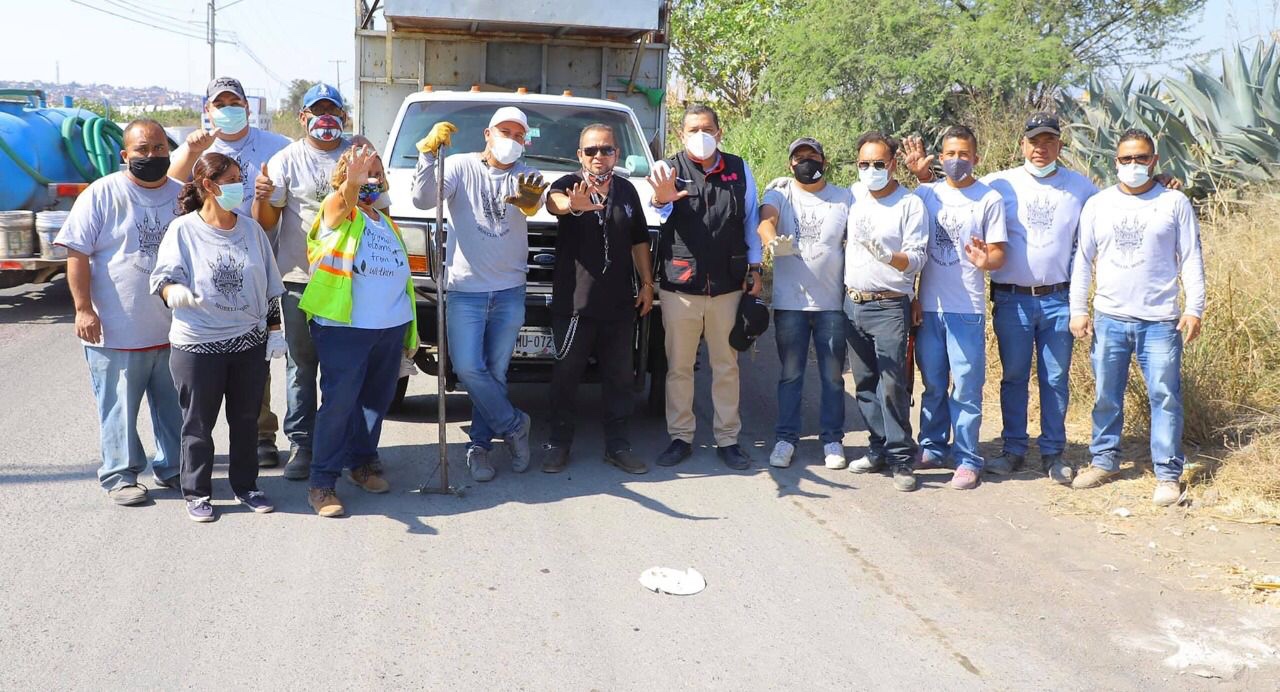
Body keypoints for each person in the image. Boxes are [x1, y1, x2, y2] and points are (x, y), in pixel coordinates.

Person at [906, 112, 1095, 484]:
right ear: (1022, 145)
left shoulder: (1081, 187)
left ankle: (1053, 452)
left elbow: (1118, 204)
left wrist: (1160, 184)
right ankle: (1013, 450)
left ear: (1059, 145)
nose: (1040, 149)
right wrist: (924, 176)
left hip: (1057, 298)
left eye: (1049, 142)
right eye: (1034, 142)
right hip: (1012, 299)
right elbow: (952, 193)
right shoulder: (1000, 185)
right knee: (1012, 378)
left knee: (1054, 378)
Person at [253, 83, 384, 482]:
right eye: (317, 111)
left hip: (351, 278)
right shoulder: (285, 161)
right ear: (303, 116)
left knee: (347, 367)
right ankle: (303, 445)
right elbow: (266, 223)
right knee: (302, 366)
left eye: (333, 111)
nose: (325, 119)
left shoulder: (359, 152)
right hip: (301, 279)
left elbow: (380, 206)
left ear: (343, 117)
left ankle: (351, 445)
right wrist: (261, 196)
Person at [1068, 129, 1205, 507]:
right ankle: (1104, 459)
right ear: (1115, 163)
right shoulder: (1098, 205)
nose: (1133, 165)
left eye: (1141, 158)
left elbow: (1191, 256)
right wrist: (1078, 309)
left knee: (1164, 396)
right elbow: (1082, 260)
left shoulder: (1173, 202)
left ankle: (1166, 473)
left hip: (1160, 320)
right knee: (1105, 395)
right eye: (1126, 159)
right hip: (1109, 316)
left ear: (1154, 161)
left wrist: (1195, 308)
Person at [410, 107, 547, 482]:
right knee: (469, 368)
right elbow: (423, 200)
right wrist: (426, 154)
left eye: (519, 136)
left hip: (509, 290)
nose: (512, 140)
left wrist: (530, 202)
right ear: (488, 134)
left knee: (496, 372)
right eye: (506, 132)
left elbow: (533, 204)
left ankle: (480, 448)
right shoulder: (458, 166)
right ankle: (515, 424)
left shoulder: (525, 174)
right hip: (465, 290)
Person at [150, 152, 286, 522]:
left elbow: (270, 288)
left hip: (248, 343)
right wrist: (171, 292)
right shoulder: (184, 230)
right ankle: (197, 491)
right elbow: (163, 278)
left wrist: (274, 333)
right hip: (198, 346)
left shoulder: (251, 230)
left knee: (245, 420)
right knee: (198, 423)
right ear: (209, 186)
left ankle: (247, 486)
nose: (240, 186)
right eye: (232, 179)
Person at [53, 119, 183, 506]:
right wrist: (83, 309)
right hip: (117, 329)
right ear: (125, 155)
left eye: (159, 148)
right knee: (119, 408)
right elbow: (77, 252)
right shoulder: (102, 193)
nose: (152, 155)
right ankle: (121, 475)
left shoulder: (182, 195)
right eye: (142, 150)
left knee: (176, 409)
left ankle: (176, 467)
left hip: (174, 331)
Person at [168, 76, 292, 468]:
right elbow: (167, 187)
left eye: (234, 101)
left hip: (259, 263)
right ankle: (194, 453)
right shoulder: (198, 149)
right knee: (204, 363)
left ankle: (260, 435)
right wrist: (189, 151)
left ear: (248, 106)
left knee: (253, 358)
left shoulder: (277, 147)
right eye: (219, 103)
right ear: (207, 110)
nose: (227, 108)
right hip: (206, 267)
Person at [301, 145, 418, 517]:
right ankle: (322, 483)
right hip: (345, 329)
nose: (373, 178)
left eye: (377, 172)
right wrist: (351, 185)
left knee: (376, 401)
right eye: (364, 171)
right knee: (339, 404)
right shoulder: (336, 212)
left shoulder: (386, 221)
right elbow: (342, 202)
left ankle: (362, 463)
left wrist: (409, 333)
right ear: (344, 176)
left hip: (389, 328)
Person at [645, 103, 762, 471]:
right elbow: (654, 215)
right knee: (678, 367)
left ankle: (727, 439)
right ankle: (680, 436)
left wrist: (755, 267)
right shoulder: (667, 170)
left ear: (720, 132)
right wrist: (661, 199)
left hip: (727, 286)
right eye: (693, 129)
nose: (701, 135)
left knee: (726, 366)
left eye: (707, 128)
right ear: (681, 134)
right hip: (680, 287)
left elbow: (750, 222)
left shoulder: (740, 169)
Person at [540, 124, 655, 475]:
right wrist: (572, 206)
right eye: (591, 151)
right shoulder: (567, 184)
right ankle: (559, 444)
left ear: (616, 155)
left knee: (620, 378)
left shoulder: (627, 191)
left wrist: (648, 283)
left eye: (605, 150)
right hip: (575, 306)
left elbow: (639, 240)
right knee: (566, 377)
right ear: (580, 155)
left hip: (620, 305)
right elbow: (553, 202)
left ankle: (618, 446)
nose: (598, 157)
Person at [907, 125, 1008, 489]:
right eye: (950, 154)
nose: (956, 160)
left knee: (965, 386)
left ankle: (967, 458)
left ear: (975, 157)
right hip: (930, 307)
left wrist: (986, 261)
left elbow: (998, 252)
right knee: (932, 382)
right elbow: (914, 249)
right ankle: (932, 446)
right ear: (942, 156)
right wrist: (915, 297)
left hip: (966, 308)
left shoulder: (988, 199)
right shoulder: (925, 195)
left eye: (963, 154)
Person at [756, 137, 852, 470]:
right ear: (790, 164)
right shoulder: (780, 193)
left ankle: (833, 440)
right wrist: (772, 243)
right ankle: (785, 439)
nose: (806, 162)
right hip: (790, 303)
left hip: (831, 304)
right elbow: (766, 221)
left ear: (824, 161)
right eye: (800, 157)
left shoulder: (843, 198)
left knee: (833, 376)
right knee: (791, 374)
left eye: (812, 156)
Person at [843, 131, 928, 492]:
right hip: (853, 303)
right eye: (864, 164)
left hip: (889, 304)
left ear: (893, 164)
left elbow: (919, 256)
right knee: (864, 383)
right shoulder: (855, 195)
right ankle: (877, 447)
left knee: (893, 384)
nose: (871, 170)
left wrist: (891, 258)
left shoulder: (910, 205)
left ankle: (901, 458)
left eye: (879, 164)